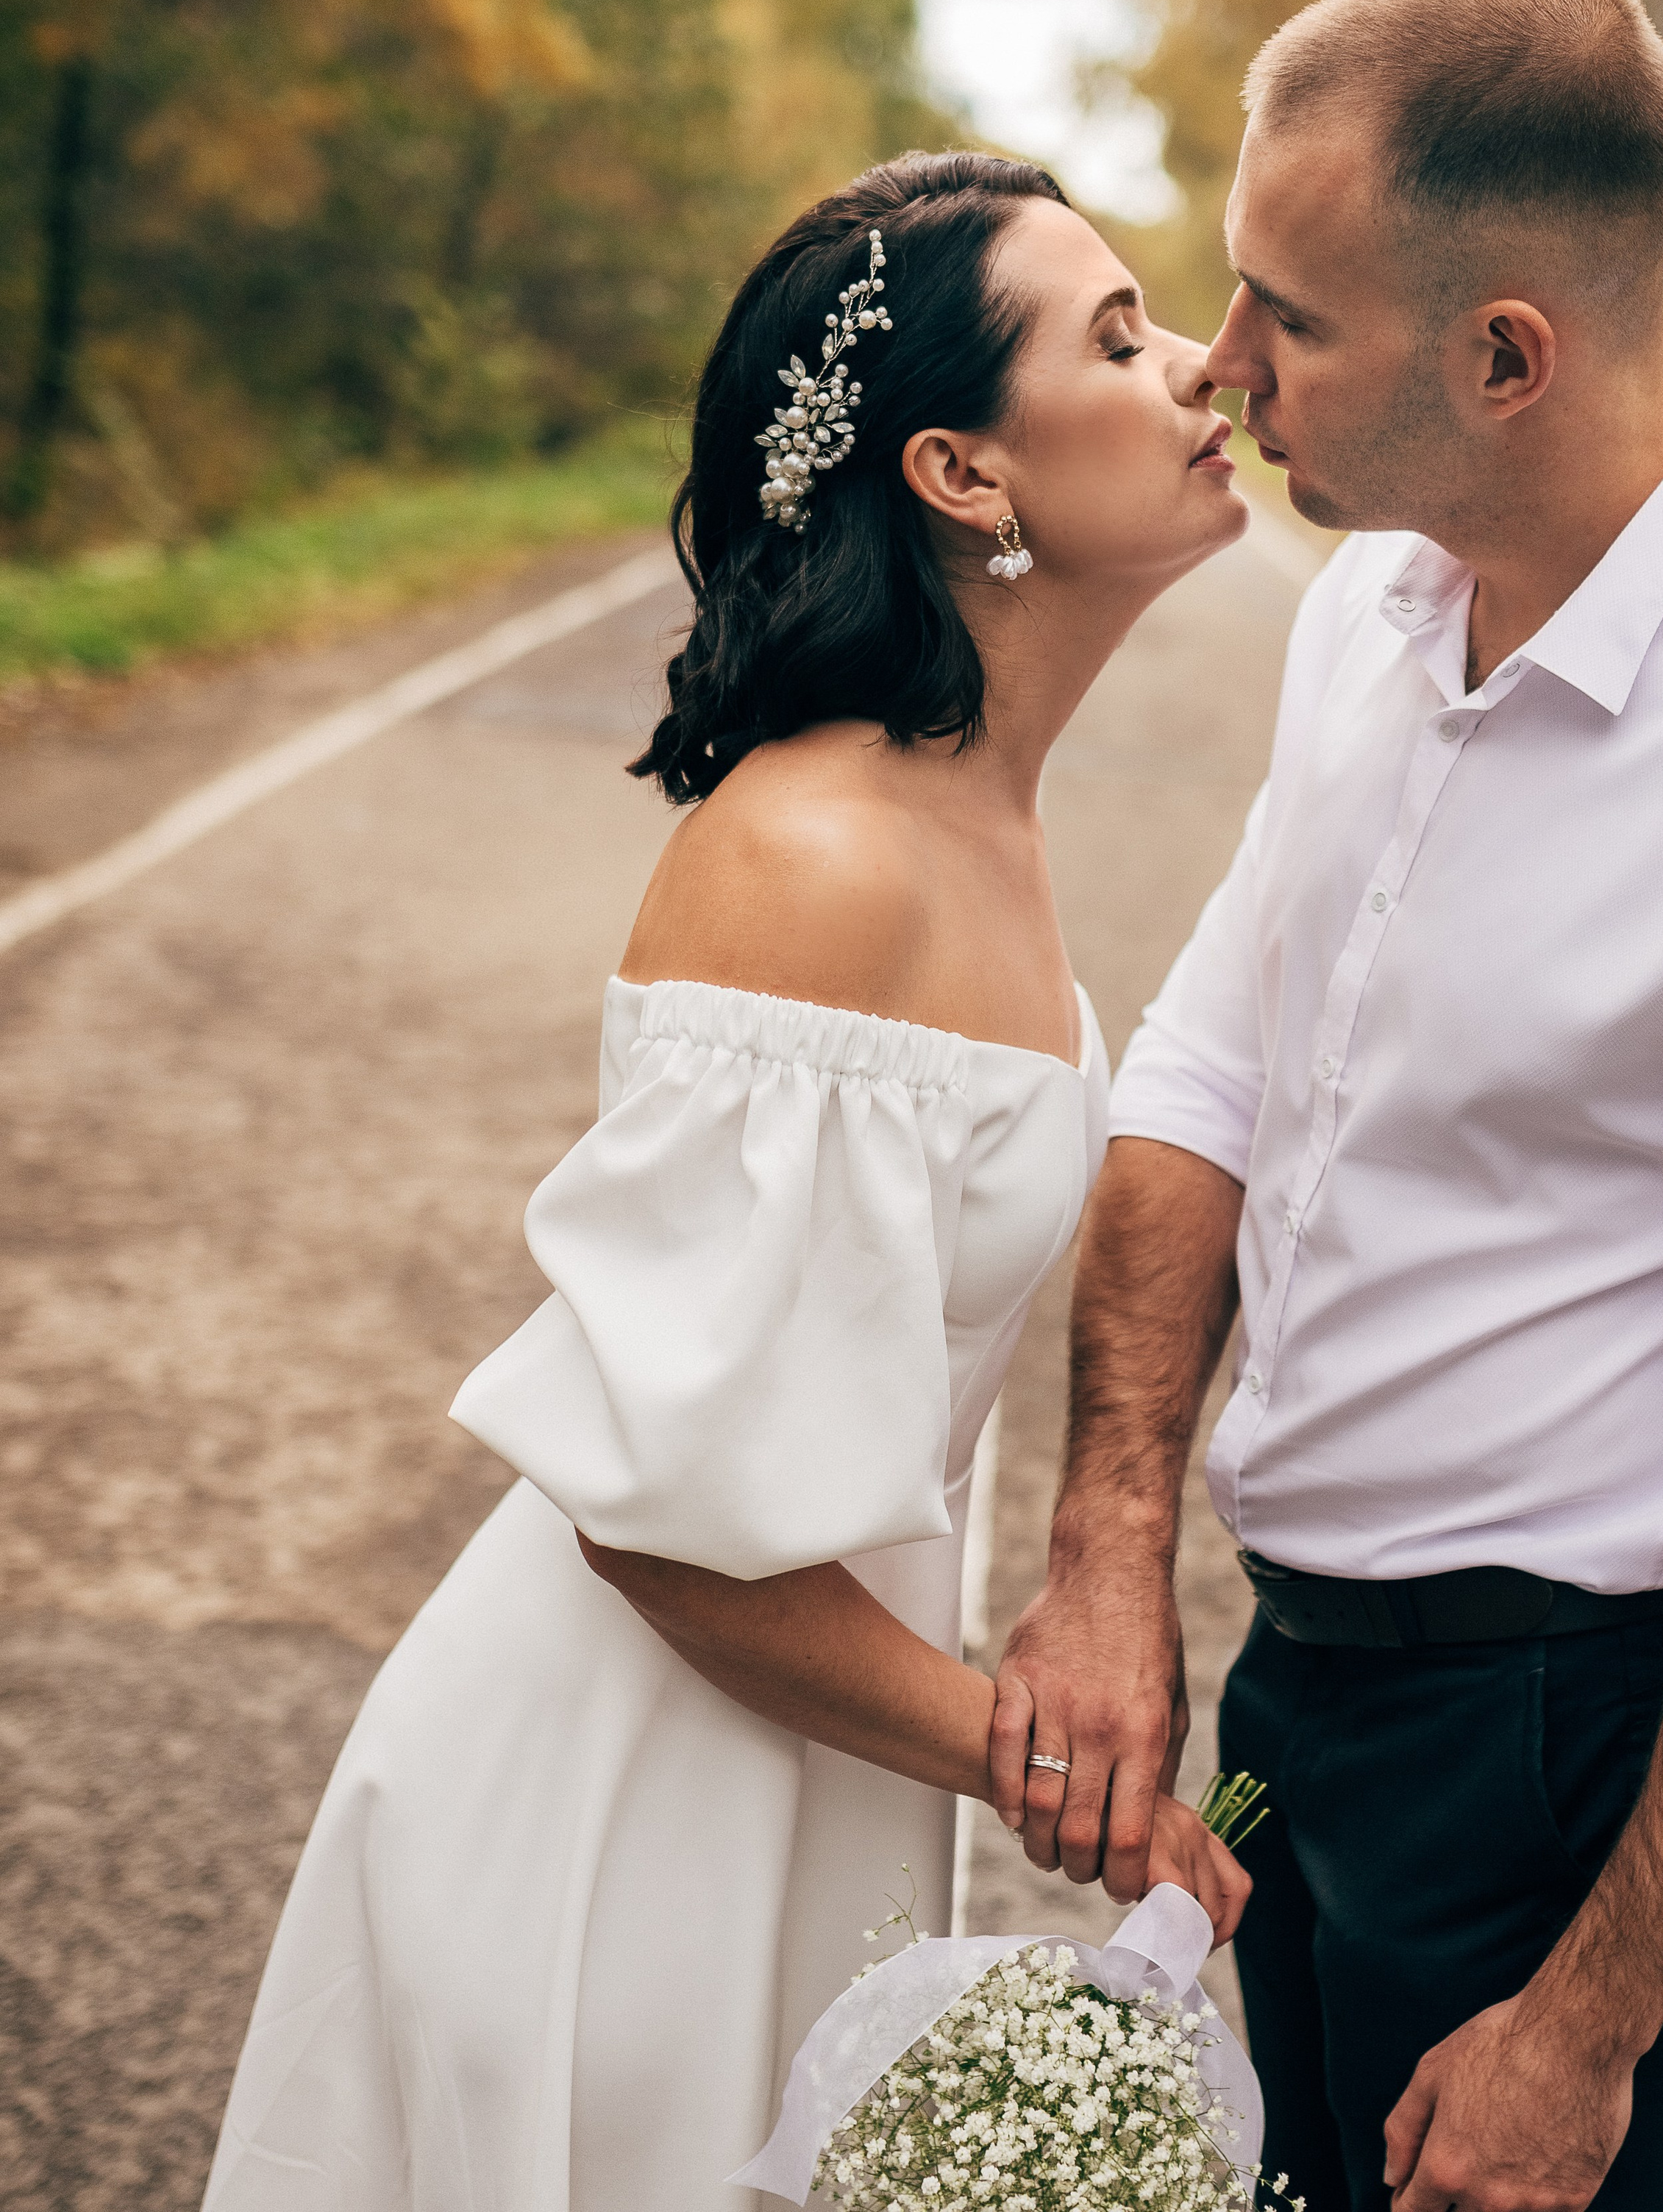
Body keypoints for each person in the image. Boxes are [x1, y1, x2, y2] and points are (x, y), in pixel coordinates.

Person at [202, 150, 1251, 2212]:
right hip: (617, 1799)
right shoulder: (819, 857)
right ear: (963, 473)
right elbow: (659, 1537)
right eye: (1120, 337)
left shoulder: (974, 816)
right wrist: (1056, 1772)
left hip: (798, 1761)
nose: (1203, 362)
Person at [991, 0, 1663, 2212]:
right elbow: (1213, 1051)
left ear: (1506, 354)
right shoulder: (1377, 598)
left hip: (1549, 1740)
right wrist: (1109, 1551)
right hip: (1301, 1676)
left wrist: (1590, 2026)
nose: (1219, 362)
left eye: (1288, 309)